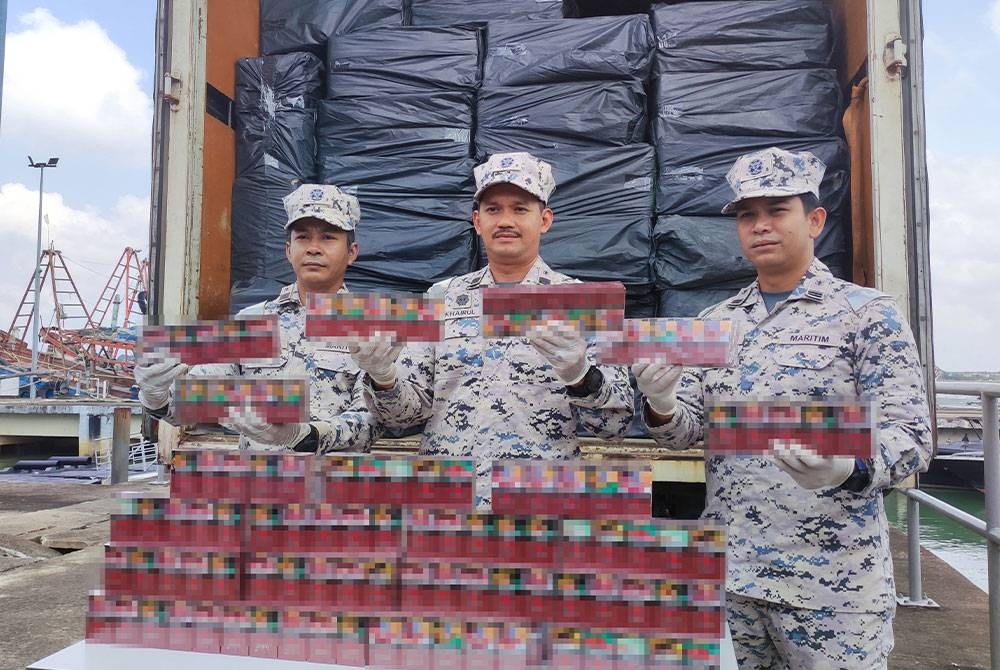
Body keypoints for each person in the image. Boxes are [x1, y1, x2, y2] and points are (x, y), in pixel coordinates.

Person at [634, 147, 932, 669]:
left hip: (831, 585)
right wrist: (660, 406)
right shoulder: (717, 321)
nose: (760, 226)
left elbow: (910, 435)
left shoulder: (865, 315)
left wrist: (850, 466)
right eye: (748, 215)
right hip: (734, 573)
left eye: (777, 211)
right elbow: (687, 433)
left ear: (814, 219)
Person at [350, 152, 635, 506]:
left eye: (520, 209)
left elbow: (615, 426)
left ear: (545, 220)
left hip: (539, 503)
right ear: (476, 221)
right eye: (493, 209)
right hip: (448, 500)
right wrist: (383, 377)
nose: (505, 220)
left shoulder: (582, 304)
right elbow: (403, 416)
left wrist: (581, 376)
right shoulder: (442, 300)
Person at [134, 184, 380, 453]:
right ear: (288, 250)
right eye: (302, 237)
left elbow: (373, 419)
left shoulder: (370, 327)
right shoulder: (253, 322)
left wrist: (305, 435)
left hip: (332, 488)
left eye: (328, 237)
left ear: (352, 252)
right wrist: (156, 397)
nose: (313, 249)